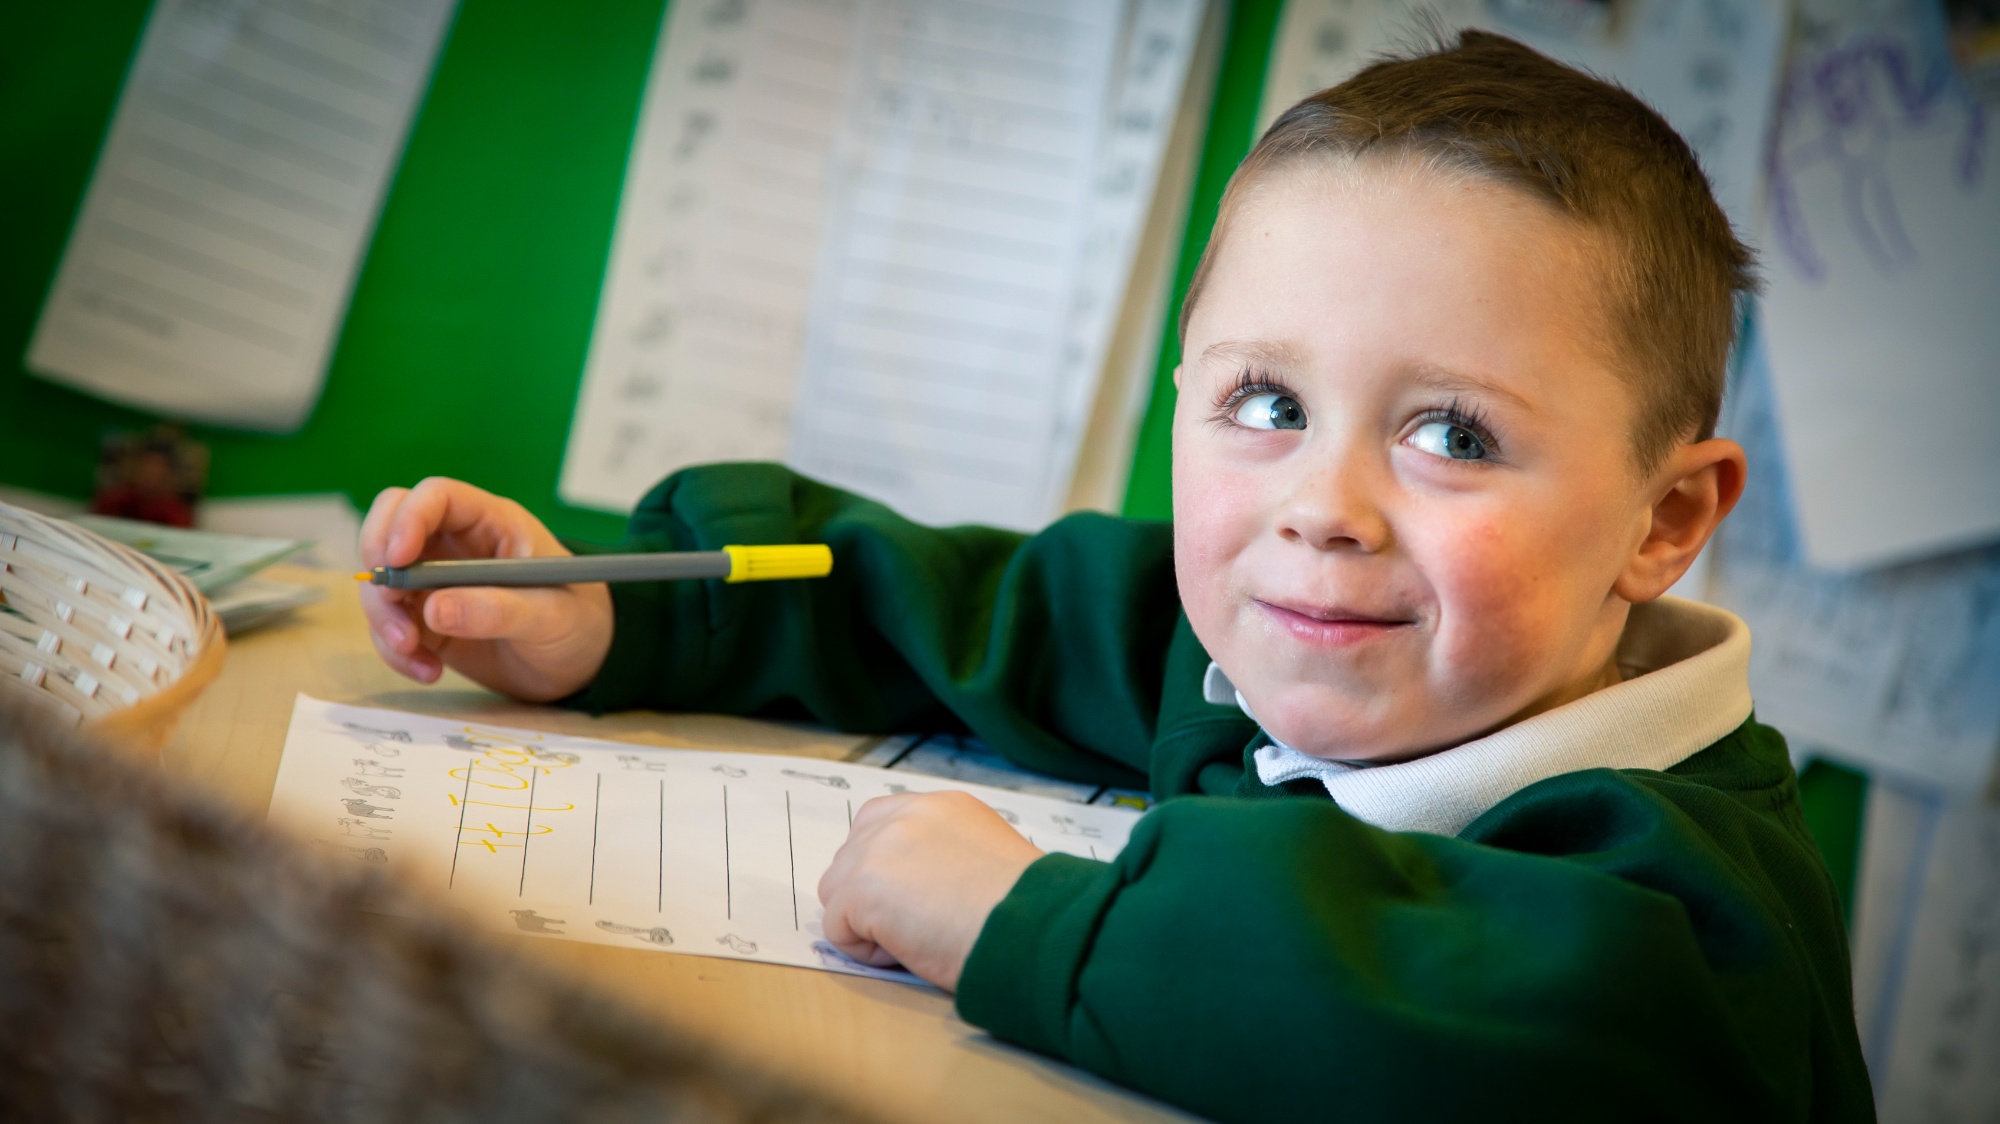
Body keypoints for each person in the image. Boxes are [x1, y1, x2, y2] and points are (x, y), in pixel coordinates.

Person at [359, 32, 1872, 1122]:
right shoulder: (1264, 643)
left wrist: (1025, 920)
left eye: (1451, 434)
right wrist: (623, 617)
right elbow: (957, 614)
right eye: (1266, 403)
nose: (1322, 509)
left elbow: (1457, 1022)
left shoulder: (1687, 913)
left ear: (1664, 519)